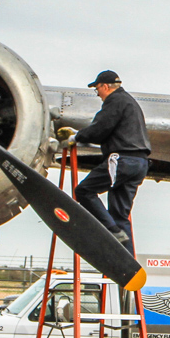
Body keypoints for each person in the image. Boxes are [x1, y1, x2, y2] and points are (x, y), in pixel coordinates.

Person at [59, 70, 151, 254]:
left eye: (97, 89)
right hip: (140, 163)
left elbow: (100, 128)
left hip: (123, 160)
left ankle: (111, 232)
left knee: (84, 191)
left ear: (105, 86)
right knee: (119, 215)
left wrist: (76, 137)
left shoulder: (115, 101)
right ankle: (127, 265)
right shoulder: (130, 102)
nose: (98, 94)